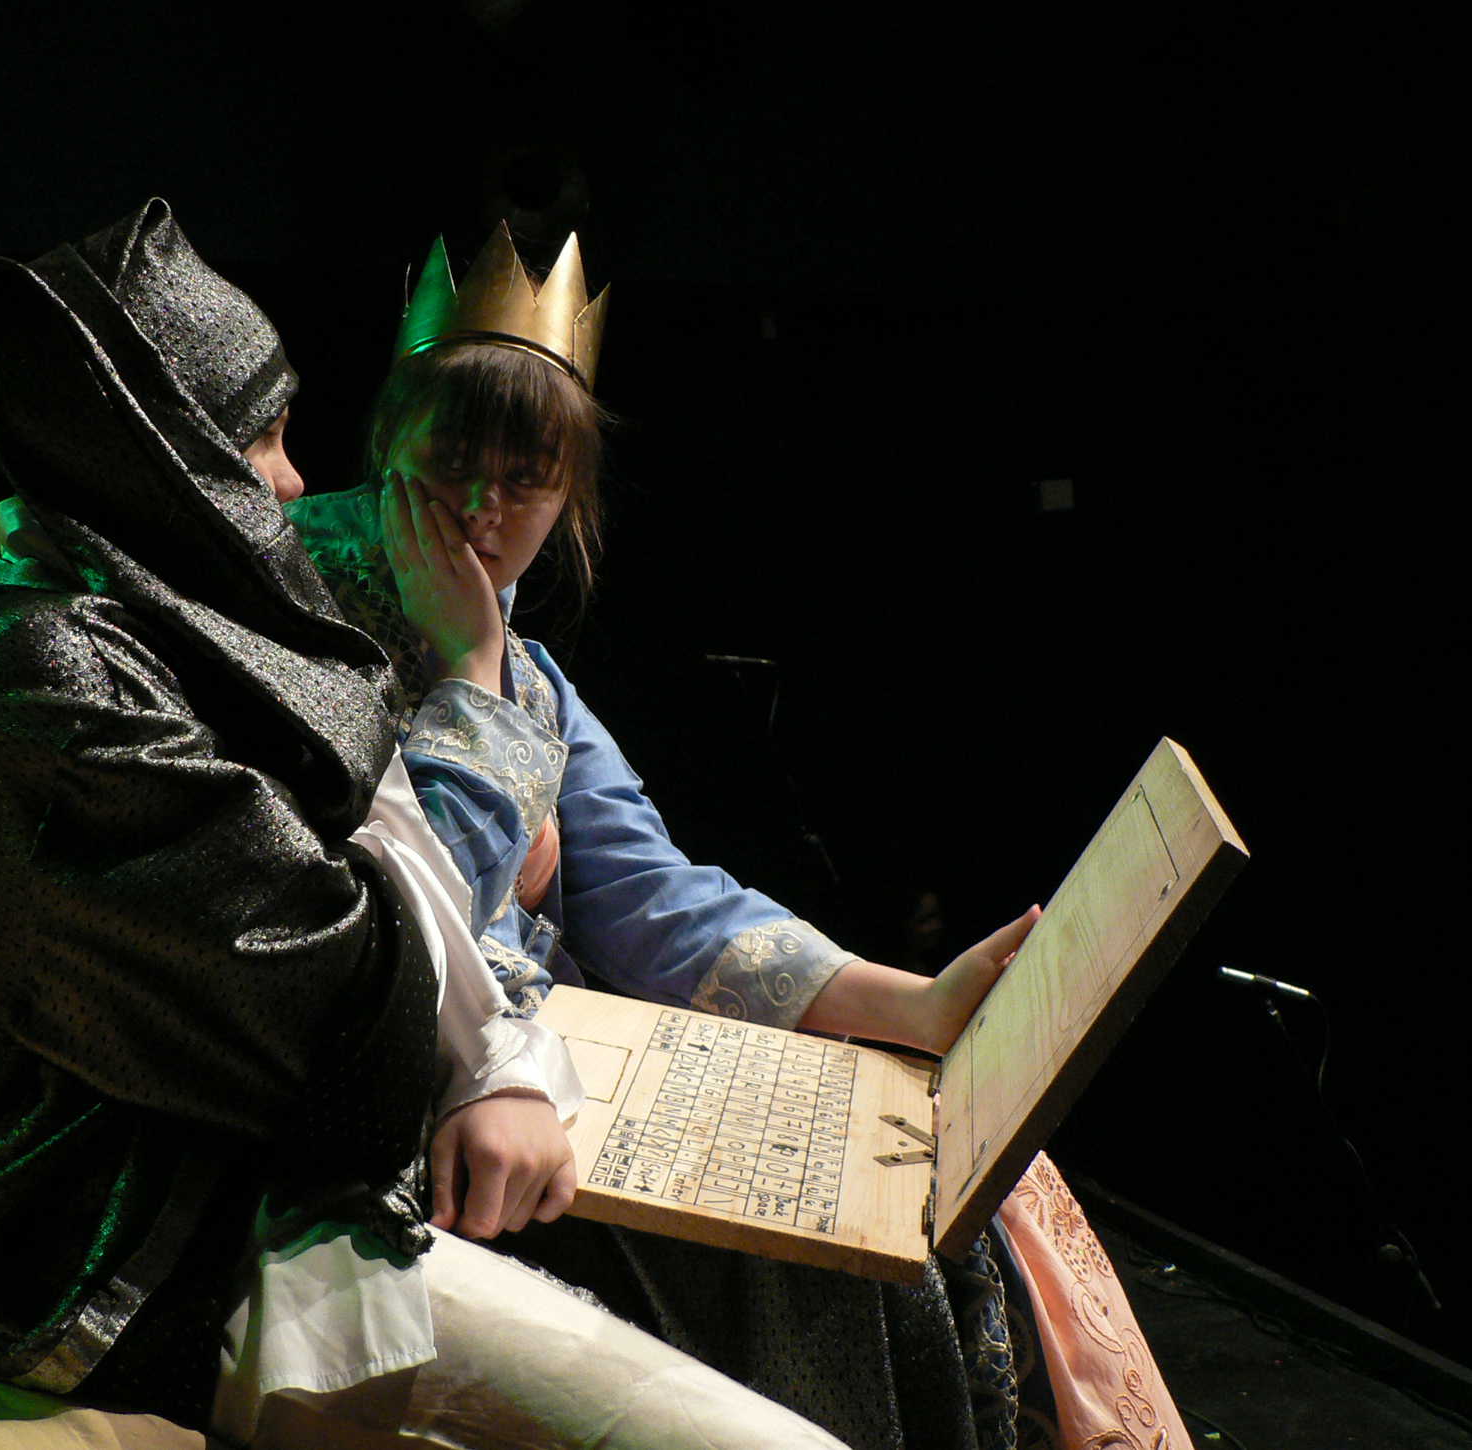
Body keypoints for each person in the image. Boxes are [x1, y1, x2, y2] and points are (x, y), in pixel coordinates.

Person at [0, 198, 846, 1450]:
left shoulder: (150, 631)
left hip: (262, 1188)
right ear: (165, 459)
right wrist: (478, 755)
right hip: (126, 1264)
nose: (295, 484)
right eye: (263, 442)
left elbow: (568, 888)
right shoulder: (63, 679)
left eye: (528, 476)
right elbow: (343, 987)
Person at [290, 225, 1194, 1450]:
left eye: (527, 479)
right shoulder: (297, 629)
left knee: (938, 1206)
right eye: (455, 464)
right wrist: (461, 673)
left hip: (566, 1083)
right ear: (390, 442)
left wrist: (913, 1002)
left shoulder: (525, 671)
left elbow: (653, 892)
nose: (485, 510)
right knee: (817, 1279)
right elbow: (395, 915)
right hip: (411, 1112)